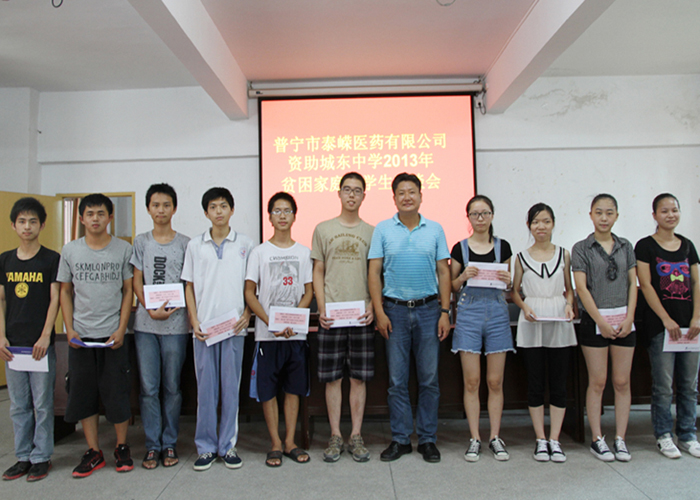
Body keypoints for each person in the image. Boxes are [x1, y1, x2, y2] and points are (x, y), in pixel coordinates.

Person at [368, 172, 451, 464]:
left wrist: (445, 312)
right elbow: (374, 272)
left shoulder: (435, 229)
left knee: (429, 379)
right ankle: (401, 439)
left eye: (412, 192)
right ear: (394, 198)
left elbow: (444, 272)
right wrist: (379, 312)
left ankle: (427, 439)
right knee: (396, 380)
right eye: (401, 193)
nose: (407, 197)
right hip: (395, 312)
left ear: (420, 196)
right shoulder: (382, 229)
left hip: (429, 311)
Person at [57, 193, 134, 477]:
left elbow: (128, 290)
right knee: (83, 394)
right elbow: (65, 291)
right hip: (81, 337)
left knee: (117, 392)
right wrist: (69, 328)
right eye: (89, 214)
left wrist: (121, 328)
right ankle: (93, 451)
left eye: (101, 213)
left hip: (112, 335)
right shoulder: (70, 250)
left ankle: (121, 447)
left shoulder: (123, 249)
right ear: (81, 218)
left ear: (110, 217)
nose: (95, 219)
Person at [181, 187, 253, 472]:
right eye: (213, 207)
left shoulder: (245, 244)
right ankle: (206, 447)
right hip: (205, 331)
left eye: (224, 206)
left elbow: (251, 287)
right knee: (206, 391)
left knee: (231, 390)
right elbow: (189, 286)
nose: (219, 211)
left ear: (232, 210)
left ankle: (228, 446)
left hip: (234, 329)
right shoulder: (195, 246)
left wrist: (247, 314)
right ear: (206, 212)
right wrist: (194, 320)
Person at [245, 192, 313, 467]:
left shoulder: (304, 253)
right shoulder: (259, 253)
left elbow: (309, 292)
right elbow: (249, 293)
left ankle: (290, 442)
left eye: (287, 210)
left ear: (294, 216)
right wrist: (270, 322)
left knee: (293, 389)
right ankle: (275, 443)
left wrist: (293, 319)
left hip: (295, 335)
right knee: (269, 390)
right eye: (277, 210)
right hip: (267, 336)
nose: (282, 215)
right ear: (269, 217)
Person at [311, 172, 375, 463]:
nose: (352, 195)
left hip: (362, 317)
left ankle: (356, 435)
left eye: (357, 190)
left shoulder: (373, 232)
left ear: (364, 196)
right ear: (339, 194)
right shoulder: (323, 229)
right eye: (347, 189)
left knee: (359, 378)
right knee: (333, 379)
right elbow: (318, 271)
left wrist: (373, 304)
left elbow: (376, 273)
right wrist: (321, 308)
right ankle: (336, 435)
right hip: (332, 317)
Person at [572, 193, 637, 462]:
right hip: (594, 322)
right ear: (591, 215)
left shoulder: (626, 246)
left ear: (616, 216)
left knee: (621, 381)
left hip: (624, 321)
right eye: (599, 212)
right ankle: (597, 438)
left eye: (609, 213)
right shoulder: (581, 248)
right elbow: (581, 288)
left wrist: (629, 317)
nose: (604, 218)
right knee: (597, 381)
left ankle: (620, 438)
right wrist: (600, 320)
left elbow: (632, 284)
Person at [0, 198, 61, 482]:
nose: (27, 226)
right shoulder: (5, 260)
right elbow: (1, 300)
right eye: (22, 221)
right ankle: (23, 456)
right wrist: (1, 336)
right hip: (13, 346)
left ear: (42, 225)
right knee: (18, 405)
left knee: (43, 404)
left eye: (33, 221)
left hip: (40, 345)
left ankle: (41, 457)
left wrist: (46, 335)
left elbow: (55, 298)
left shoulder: (51, 259)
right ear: (13, 225)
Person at [635, 193, 700, 459]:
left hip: (690, 328)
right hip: (661, 327)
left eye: (674, 210)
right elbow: (646, 284)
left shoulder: (688, 246)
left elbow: (696, 282)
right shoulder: (645, 246)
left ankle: (688, 434)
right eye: (664, 211)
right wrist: (665, 319)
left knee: (689, 385)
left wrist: (697, 318)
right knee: (663, 386)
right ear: (654, 215)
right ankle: (663, 435)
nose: (670, 215)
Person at [450, 195, 514, 462]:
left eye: (485, 213)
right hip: (469, 314)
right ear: (468, 217)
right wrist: (462, 276)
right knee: (472, 381)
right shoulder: (459, 248)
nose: (480, 218)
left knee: (495, 381)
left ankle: (495, 437)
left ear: (492, 216)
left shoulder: (503, 246)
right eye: (475, 214)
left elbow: (508, 286)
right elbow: (451, 286)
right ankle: (475, 437)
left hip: (497, 313)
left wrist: (509, 280)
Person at [511, 203, 576, 463]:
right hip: (532, 319)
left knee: (559, 381)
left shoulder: (564, 254)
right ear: (529, 225)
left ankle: (555, 439)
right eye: (536, 222)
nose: (541, 226)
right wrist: (524, 306)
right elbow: (514, 291)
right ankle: (540, 438)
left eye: (546, 221)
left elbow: (569, 289)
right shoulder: (520, 257)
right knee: (535, 382)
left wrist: (569, 305)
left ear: (553, 224)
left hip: (558, 318)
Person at [131, 183, 190, 469]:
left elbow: (189, 284)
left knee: (172, 387)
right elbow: (136, 280)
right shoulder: (141, 242)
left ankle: (170, 444)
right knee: (149, 388)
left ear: (174, 208)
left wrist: (173, 308)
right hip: (146, 326)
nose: (161, 210)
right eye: (156, 205)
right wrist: (149, 308)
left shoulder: (185, 243)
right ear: (148, 209)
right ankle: (152, 446)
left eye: (166, 205)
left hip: (176, 326)